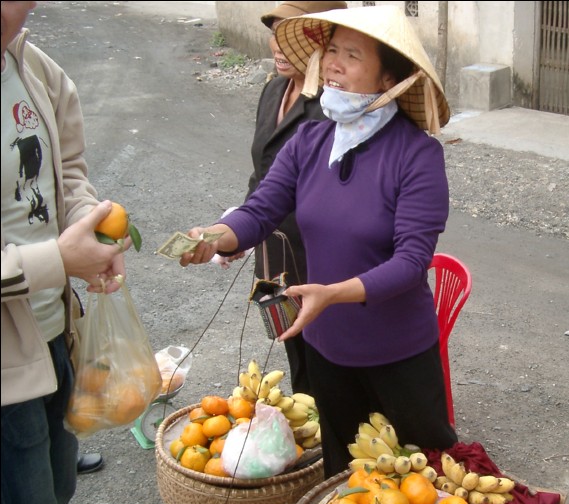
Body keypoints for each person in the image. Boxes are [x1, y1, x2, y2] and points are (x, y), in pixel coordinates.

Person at [180, 4, 458, 477]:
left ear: (389, 76)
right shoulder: (309, 140)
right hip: (327, 349)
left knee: (424, 491)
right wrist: (216, 236)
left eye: (352, 55)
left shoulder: (417, 156)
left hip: (399, 356)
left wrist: (331, 293)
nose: (333, 63)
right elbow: (261, 210)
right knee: (344, 484)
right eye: (331, 50)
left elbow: (412, 261)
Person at [2, 2, 125, 504]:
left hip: (52, 330)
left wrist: (92, 230)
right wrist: (58, 260)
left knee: (52, 489)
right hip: (4, 363)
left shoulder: (34, 67)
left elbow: (68, 173)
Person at [228, 0, 346, 396]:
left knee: (325, 350)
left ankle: (334, 431)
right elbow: (262, 168)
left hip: (317, 254)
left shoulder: (335, 105)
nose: (278, 46)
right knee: (290, 339)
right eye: (274, 33)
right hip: (272, 247)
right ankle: (311, 420)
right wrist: (236, 230)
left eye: (290, 34)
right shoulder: (273, 89)